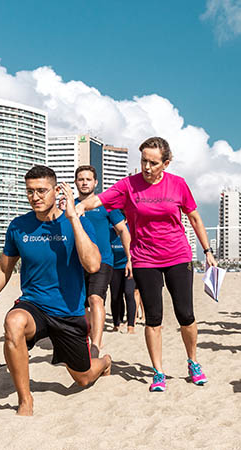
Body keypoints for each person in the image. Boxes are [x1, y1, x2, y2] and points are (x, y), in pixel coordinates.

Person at [77, 136, 217, 392]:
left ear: (166, 162)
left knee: (186, 315)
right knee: (153, 318)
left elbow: (195, 218)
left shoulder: (178, 185)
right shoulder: (129, 185)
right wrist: (78, 208)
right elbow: (98, 200)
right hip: (145, 258)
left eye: (153, 162)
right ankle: (158, 371)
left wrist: (207, 250)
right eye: (143, 161)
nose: (147, 167)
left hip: (178, 255)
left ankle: (193, 362)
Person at [0, 165, 112, 416]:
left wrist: (71, 218)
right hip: (34, 305)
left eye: (41, 191)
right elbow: (4, 269)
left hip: (68, 312)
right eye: (30, 191)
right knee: (13, 322)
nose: (35, 197)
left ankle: (104, 362)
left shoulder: (78, 222)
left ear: (57, 190)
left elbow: (92, 264)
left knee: (83, 378)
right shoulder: (18, 226)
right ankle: (25, 400)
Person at [74, 165, 131, 352]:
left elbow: (123, 230)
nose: (84, 182)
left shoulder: (106, 206)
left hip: (103, 260)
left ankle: (96, 345)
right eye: (81, 179)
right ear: (76, 182)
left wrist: (130, 258)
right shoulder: (71, 206)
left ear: (95, 182)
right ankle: (87, 336)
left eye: (88, 179)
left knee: (96, 299)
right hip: (77, 261)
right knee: (81, 304)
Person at [109, 214, 137, 334]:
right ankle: (117, 323)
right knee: (115, 296)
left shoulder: (129, 230)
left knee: (129, 293)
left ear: (125, 220)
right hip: (113, 267)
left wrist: (130, 261)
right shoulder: (109, 231)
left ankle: (131, 325)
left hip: (128, 265)